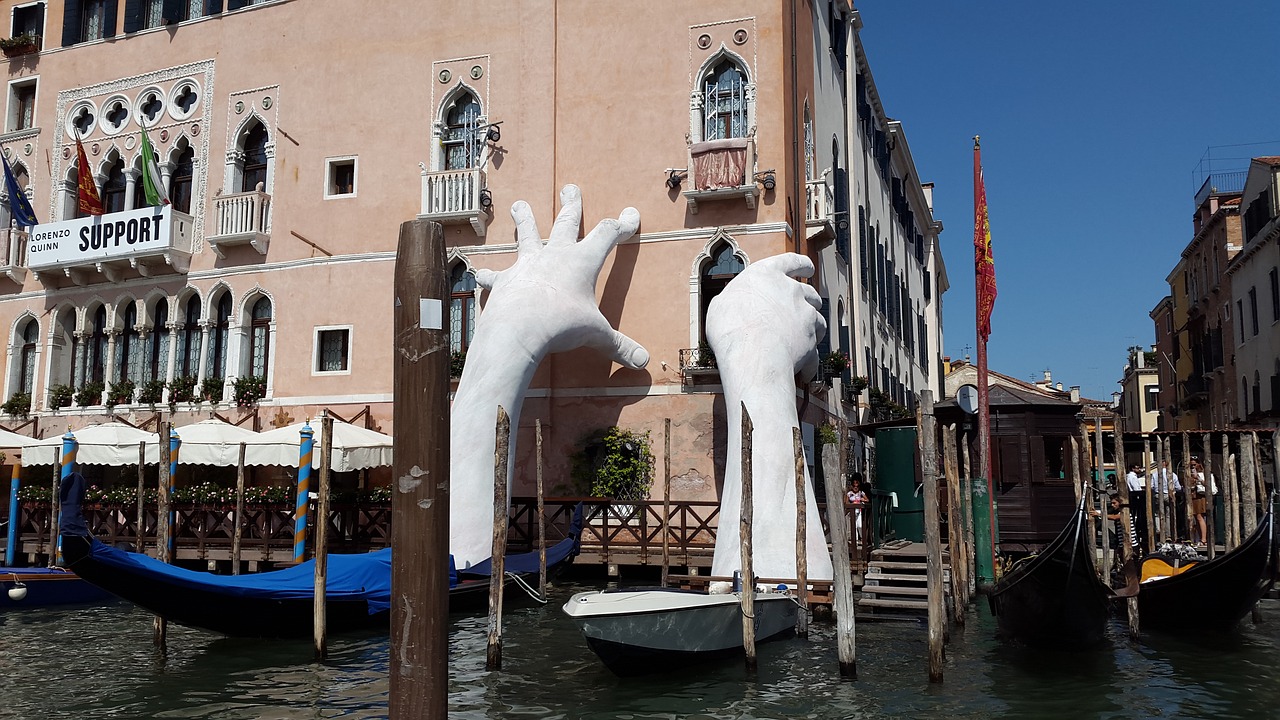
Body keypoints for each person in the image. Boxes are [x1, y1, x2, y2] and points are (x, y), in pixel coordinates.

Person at [1152, 460, 1183, 541]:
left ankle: (1158, 530)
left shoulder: (1155, 474)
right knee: (1168, 515)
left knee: (1157, 514)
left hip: (1158, 495)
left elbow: (1152, 486)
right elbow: (1178, 487)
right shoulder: (1172, 474)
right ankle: (1168, 534)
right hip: (1169, 495)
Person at [1189, 459, 1216, 546]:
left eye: (1194, 465)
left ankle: (1204, 539)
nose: (1193, 467)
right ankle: (1200, 538)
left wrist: (1198, 478)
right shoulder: (1191, 474)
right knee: (1196, 518)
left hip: (1201, 497)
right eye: (1191, 466)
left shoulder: (1205, 474)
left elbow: (1207, 485)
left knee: (1200, 517)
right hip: (1194, 497)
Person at [1126, 462, 1148, 553]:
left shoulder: (1128, 476)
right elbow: (1136, 489)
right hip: (1136, 498)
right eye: (1137, 468)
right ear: (1133, 469)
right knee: (1139, 518)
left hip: (1131, 498)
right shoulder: (1133, 477)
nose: (1139, 469)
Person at [846, 475, 868, 546]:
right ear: (852, 486)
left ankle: (862, 538)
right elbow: (846, 502)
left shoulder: (861, 493)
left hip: (859, 511)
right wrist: (851, 503)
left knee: (860, 526)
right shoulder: (849, 494)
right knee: (853, 526)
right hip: (852, 511)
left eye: (857, 486)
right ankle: (854, 541)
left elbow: (867, 500)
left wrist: (863, 499)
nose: (855, 487)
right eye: (854, 486)